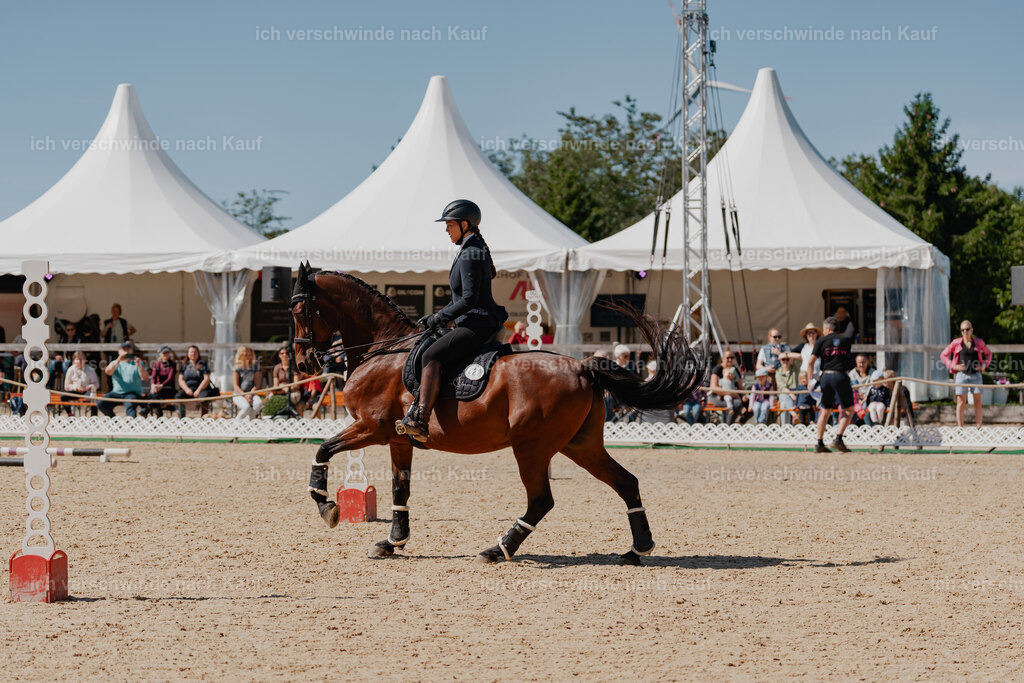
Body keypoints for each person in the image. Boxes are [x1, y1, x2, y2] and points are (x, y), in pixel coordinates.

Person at [397, 200, 509, 440]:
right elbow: (462, 298)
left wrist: (440, 317)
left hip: (476, 323)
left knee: (430, 355)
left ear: (464, 224)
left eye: (449, 224)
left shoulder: (471, 252)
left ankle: (421, 419)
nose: (446, 229)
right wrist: (437, 316)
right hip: (473, 320)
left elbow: (468, 299)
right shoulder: (472, 248)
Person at [807, 316, 856, 453]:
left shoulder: (821, 341)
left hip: (825, 376)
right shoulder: (846, 340)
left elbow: (810, 362)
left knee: (825, 409)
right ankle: (838, 439)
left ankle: (819, 442)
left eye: (823, 329)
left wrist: (811, 380)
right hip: (840, 375)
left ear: (828, 329)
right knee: (848, 409)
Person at [940, 319, 992, 428]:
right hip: (961, 375)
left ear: (971, 330)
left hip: (976, 375)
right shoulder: (956, 343)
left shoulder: (978, 342)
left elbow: (989, 354)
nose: (964, 332)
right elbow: (943, 355)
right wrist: (953, 366)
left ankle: (979, 427)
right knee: (961, 402)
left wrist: (984, 365)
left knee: (977, 402)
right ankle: (960, 428)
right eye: (962, 330)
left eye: (967, 329)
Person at [98, 341, 149, 418]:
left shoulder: (138, 362)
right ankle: (114, 420)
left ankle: (131, 426)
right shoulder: (115, 362)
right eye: (124, 349)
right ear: (119, 352)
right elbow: (108, 372)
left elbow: (145, 378)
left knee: (130, 404)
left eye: (128, 349)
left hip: (132, 393)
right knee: (101, 403)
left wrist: (140, 366)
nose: (126, 351)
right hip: (117, 393)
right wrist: (118, 360)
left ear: (132, 351)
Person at [175, 345, 218, 418]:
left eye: (195, 352)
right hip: (188, 389)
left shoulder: (203, 364)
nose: (193, 354)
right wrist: (186, 389)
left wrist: (198, 391)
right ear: (188, 354)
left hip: (202, 389)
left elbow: (206, 379)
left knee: (204, 397)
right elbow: (180, 379)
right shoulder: (184, 365)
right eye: (191, 352)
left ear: (198, 353)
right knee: (178, 396)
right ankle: (181, 418)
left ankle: (204, 418)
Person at [708, 351, 745, 424]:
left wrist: (744, 396)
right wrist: (731, 393)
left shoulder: (735, 370)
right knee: (737, 403)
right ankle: (728, 426)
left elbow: (741, 387)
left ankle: (739, 422)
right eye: (728, 358)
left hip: (733, 395)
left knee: (750, 403)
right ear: (723, 359)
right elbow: (713, 387)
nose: (730, 360)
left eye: (732, 357)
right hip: (717, 397)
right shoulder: (717, 369)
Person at [144, 345, 178, 417]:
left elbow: (170, 378)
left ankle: (147, 409)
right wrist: (153, 385)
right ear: (160, 354)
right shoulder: (156, 364)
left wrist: (161, 386)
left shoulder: (173, 364)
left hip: (168, 388)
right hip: (157, 389)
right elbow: (153, 377)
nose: (165, 354)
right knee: (153, 394)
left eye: (167, 353)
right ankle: (161, 408)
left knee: (152, 395)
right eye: (164, 353)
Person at [63, 350, 99, 416]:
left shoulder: (90, 370)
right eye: (77, 359)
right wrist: (76, 388)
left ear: (85, 360)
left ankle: (93, 418)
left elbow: (96, 384)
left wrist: (88, 387)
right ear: (73, 360)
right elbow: (66, 386)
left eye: (81, 359)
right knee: (63, 397)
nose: (79, 361)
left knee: (93, 397)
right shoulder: (70, 370)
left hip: (87, 392)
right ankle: (70, 414)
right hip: (75, 392)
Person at [232, 345, 263, 420]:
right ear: (241, 355)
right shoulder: (237, 368)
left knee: (258, 404)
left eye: (250, 355)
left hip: (251, 393)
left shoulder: (255, 367)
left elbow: (256, 384)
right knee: (246, 407)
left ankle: (248, 422)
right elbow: (235, 385)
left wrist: (250, 394)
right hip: (238, 394)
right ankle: (236, 423)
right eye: (246, 355)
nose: (248, 357)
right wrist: (245, 395)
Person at [775, 354, 799, 425]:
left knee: (783, 404)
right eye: (783, 359)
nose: (785, 361)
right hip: (789, 395)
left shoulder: (795, 368)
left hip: (796, 393)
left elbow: (801, 357)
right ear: (780, 361)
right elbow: (782, 387)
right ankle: (794, 415)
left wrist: (789, 354)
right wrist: (791, 395)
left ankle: (785, 427)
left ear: (790, 360)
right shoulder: (778, 372)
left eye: (787, 359)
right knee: (784, 396)